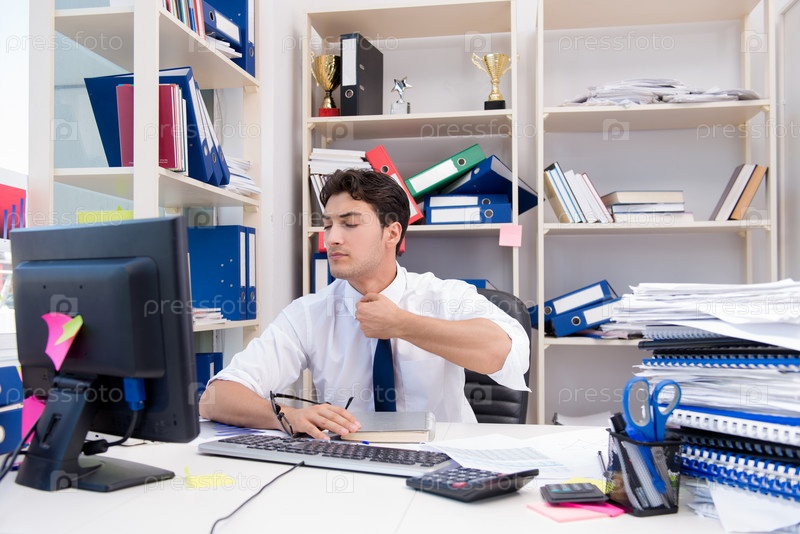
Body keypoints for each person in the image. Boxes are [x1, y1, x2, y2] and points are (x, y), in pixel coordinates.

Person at [199, 168, 530, 439]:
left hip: (442, 460)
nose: (332, 238)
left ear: (392, 233)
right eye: (328, 225)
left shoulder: (444, 295)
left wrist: (401, 324)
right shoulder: (309, 313)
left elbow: (503, 351)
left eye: (350, 223)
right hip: (353, 462)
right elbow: (215, 398)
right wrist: (288, 416)